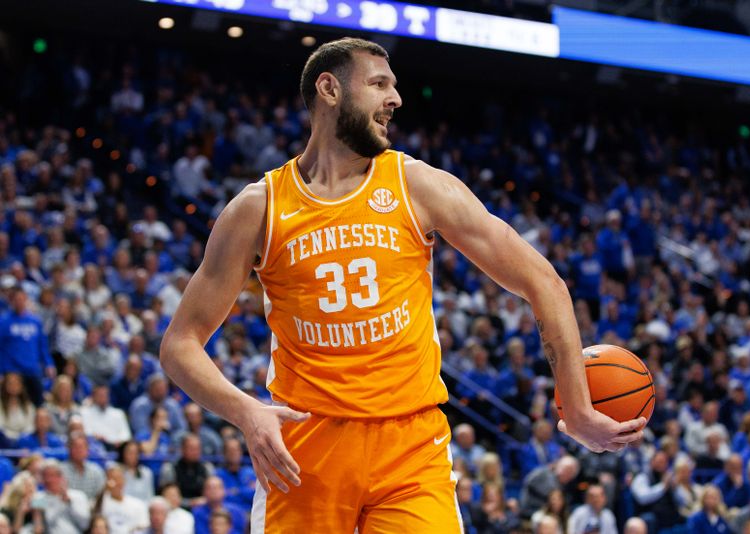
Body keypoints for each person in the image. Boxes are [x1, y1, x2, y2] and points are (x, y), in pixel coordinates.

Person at [159, 37, 645, 532]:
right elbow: (180, 344)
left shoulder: (416, 185)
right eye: (379, 84)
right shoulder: (259, 208)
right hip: (305, 452)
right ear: (329, 89)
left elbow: (543, 281)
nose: (396, 99)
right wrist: (245, 411)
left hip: (410, 451)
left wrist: (577, 404)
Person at [0, 286, 55, 405]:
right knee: (12, 405)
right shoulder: (4, 321)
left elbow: (42, 346)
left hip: (32, 369)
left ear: (26, 299)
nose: (19, 302)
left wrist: (49, 364)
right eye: (16, 299)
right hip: (11, 371)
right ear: (11, 301)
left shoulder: (35, 321)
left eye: (22, 299)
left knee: (39, 403)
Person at [32, 459, 91, 534]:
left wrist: (69, 503)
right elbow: (38, 529)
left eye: (52, 475)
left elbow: (86, 525)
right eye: (45, 476)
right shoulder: (39, 498)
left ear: (61, 477)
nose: (48, 480)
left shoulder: (78, 495)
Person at [97, 463, 149, 534]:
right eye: (112, 479)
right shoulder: (102, 502)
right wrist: (104, 490)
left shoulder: (138, 504)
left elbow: (143, 527)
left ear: (124, 481)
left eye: (119, 478)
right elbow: (94, 517)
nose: (116, 482)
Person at [80, 384, 132, 449]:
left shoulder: (118, 413)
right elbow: (85, 432)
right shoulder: (84, 412)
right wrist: (94, 437)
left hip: (116, 448)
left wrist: (120, 441)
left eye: (105, 395)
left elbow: (126, 435)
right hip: (94, 447)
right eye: (100, 395)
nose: (103, 398)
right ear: (93, 396)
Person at [61, 433, 107, 501]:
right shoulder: (61, 471)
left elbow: (101, 496)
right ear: (69, 450)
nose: (79, 450)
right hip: (68, 508)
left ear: (87, 450)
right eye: (75, 447)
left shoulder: (96, 471)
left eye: (82, 447)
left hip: (93, 508)